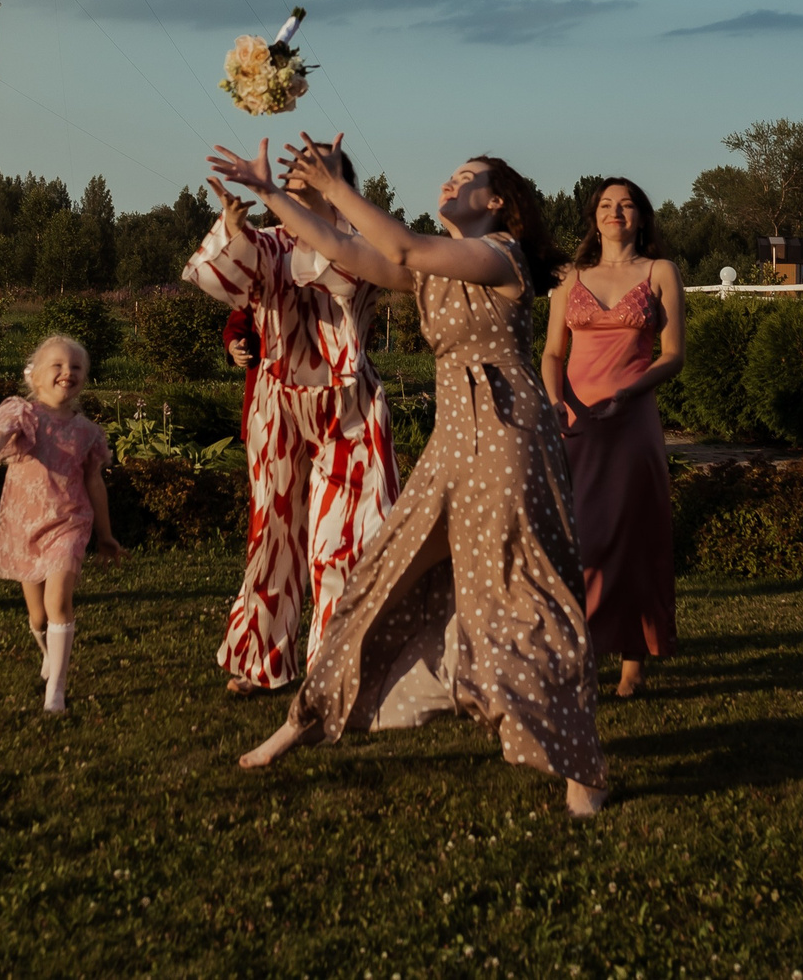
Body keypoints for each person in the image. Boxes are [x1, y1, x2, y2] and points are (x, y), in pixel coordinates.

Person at [213, 137, 608, 816]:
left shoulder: (501, 255)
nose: (450, 181)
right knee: (379, 575)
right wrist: (272, 194)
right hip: (456, 442)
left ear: (498, 202)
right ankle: (306, 716)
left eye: (467, 177)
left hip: (508, 441)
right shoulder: (435, 266)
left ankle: (580, 766)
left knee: (522, 593)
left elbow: (397, 249)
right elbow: (352, 252)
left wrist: (336, 183)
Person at [184, 147, 397, 694]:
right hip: (277, 405)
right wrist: (234, 228)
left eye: (314, 165)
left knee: (343, 539)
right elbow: (224, 283)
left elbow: (346, 275)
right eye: (294, 165)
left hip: (349, 408)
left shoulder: (366, 242)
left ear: (339, 183)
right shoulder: (272, 242)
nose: (297, 171)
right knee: (272, 536)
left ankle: (335, 669)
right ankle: (260, 661)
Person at [542, 178, 683, 698]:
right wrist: (556, 400)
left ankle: (632, 667)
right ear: (594, 217)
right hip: (575, 422)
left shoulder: (660, 272)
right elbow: (552, 352)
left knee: (632, 538)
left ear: (642, 216)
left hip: (631, 422)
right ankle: (576, 657)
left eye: (625, 204)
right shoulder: (570, 277)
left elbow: (673, 355)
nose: (615, 212)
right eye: (605, 204)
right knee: (577, 541)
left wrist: (631, 390)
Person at [0, 335, 122, 711]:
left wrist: (106, 535)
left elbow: (94, 482)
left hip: (69, 523)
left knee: (59, 602)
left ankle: (57, 691)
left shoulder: (88, 432)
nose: (68, 372)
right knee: (37, 615)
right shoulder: (22, 415)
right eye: (58, 365)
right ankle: (46, 648)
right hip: (25, 523)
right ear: (35, 377)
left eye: (76, 367)